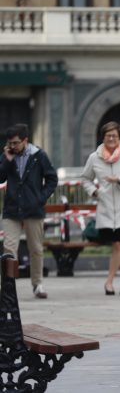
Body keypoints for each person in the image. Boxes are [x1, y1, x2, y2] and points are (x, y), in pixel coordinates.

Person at [82, 122, 120, 295]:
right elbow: (85, 179)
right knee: (118, 246)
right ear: (102, 137)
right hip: (106, 208)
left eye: (114, 136)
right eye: (108, 135)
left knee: (118, 244)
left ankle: (109, 282)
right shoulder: (94, 157)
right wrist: (95, 192)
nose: (111, 138)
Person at [0, 124, 58, 299]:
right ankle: (9, 287)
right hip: (12, 209)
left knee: (35, 249)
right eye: (10, 143)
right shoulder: (7, 155)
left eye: (16, 143)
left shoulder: (38, 156)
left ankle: (38, 285)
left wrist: (41, 198)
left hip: (33, 208)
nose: (12, 146)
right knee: (9, 249)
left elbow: (52, 178)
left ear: (25, 140)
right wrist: (7, 160)